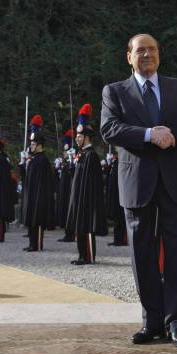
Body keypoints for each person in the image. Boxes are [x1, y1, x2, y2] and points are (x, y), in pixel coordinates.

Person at [100, 33, 177, 348]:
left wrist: (176, 135)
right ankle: (151, 322)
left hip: (174, 183)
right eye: (140, 50)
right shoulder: (115, 91)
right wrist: (147, 134)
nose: (147, 54)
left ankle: (176, 324)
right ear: (128, 56)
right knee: (142, 255)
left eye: (153, 50)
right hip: (137, 185)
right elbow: (109, 129)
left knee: (176, 256)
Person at [66, 104, 106, 265]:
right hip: (78, 197)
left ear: (87, 137)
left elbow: (92, 182)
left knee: (86, 227)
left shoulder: (91, 156)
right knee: (79, 227)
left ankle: (88, 256)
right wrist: (71, 164)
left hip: (87, 199)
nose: (77, 138)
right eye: (77, 136)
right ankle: (81, 255)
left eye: (80, 136)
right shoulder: (82, 154)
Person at [21, 114, 55, 252]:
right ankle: (31, 243)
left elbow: (44, 182)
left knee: (38, 221)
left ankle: (37, 244)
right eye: (31, 144)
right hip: (32, 194)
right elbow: (27, 178)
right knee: (31, 220)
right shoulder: (34, 159)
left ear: (39, 145)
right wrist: (23, 164)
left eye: (33, 144)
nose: (31, 146)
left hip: (39, 196)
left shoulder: (43, 160)